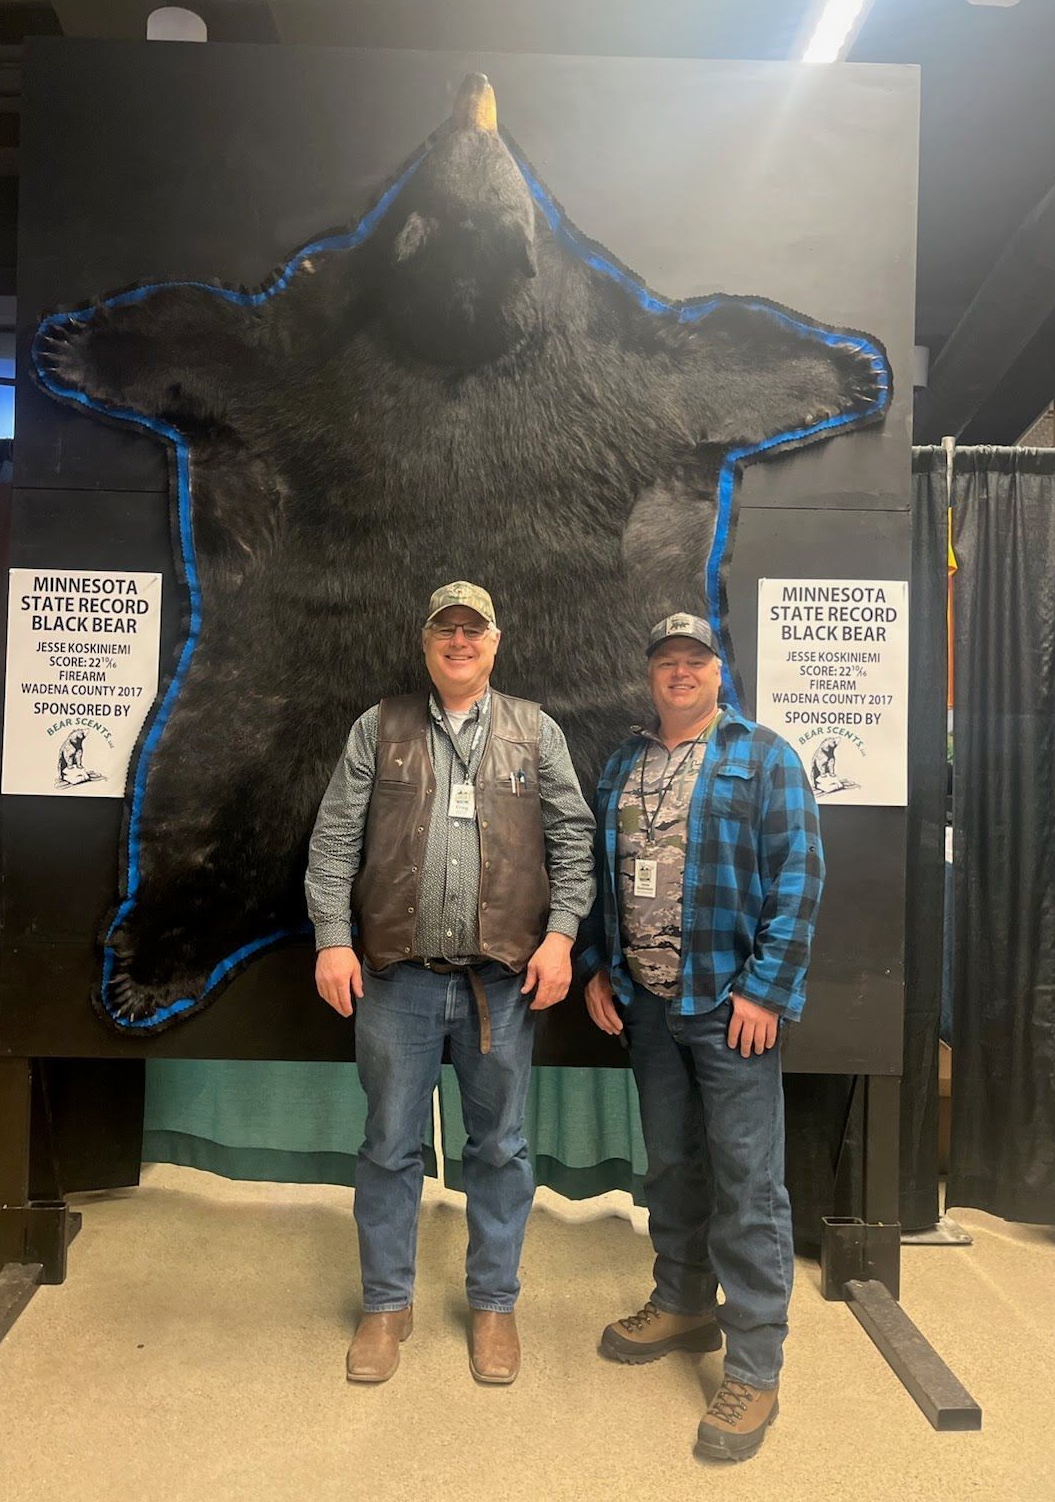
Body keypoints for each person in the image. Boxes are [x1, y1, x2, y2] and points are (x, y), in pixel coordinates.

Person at [306, 580, 594, 1387]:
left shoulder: (536, 731)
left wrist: (563, 937)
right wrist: (333, 938)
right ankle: (385, 1302)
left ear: (495, 643)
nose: (459, 641)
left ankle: (495, 1304)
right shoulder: (380, 726)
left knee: (499, 1148)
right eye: (446, 630)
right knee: (389, 1147)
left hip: (502, 983)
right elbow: (334, 841)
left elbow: (574, 839)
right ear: (426, 643)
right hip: (395, 979)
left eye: (474, 630)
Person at [579, 612, 824, 1462]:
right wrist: (601, 965)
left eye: (696, 659)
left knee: (748, 1182)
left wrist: (766, 991)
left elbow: (801, 877)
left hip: (730, 1010)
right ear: (651, 674)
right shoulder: (624, 761)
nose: (680, 672)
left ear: (719, 672)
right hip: (648, 1007)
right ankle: (684, 1302)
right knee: (673, 1166)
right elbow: (608, 875)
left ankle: (755, 1365)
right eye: (667, 661)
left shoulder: (764, 755)